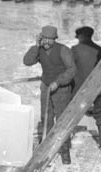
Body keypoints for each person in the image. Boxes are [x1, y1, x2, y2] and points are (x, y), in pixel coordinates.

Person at [23, 25, 76, 164]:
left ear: (55, 39)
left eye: (49, 39)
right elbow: (27, 62)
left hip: (62, 90)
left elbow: (72, 70)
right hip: (46, 88)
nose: (46, 42)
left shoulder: (63, 50)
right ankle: (46, 149)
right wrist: (36, 46)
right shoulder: (39, 49)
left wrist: (58, 82)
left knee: (62, 120)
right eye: (44, 38)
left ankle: (65, 151)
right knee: (46, 117)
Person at [72, 26, 101, 150]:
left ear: (81, 37)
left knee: (72, 112)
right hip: (100, 86)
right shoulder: (100, 49)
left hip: (81, 88)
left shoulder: (74, 50)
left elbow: (70, 69)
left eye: (78, 37)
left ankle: (67, 139)